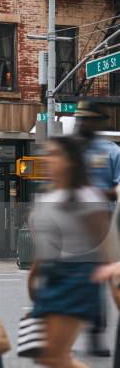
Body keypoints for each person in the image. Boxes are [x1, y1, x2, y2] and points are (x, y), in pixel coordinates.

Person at [29, 136, 112, 368]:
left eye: (54, 154)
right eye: (47, 153)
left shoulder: (87, 196)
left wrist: (111, 281)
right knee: (50, 357)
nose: (47, 159)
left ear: (71, 161)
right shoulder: (48, 194)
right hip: (51, 276)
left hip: (76, 277)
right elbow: (46, 241)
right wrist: (34, 274)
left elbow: (106, 242)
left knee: (53, 356)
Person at [74, 100, 120, 357]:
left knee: (107, 277)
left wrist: (96, 192)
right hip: (73, 225)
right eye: (80, 119)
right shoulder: (72, 150)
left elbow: (119, 187)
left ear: (97, 122)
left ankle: (97, 332)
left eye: (87, 119)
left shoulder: (111, 151)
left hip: (103, 223)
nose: (82, 123)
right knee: (77, 277)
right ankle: (80, 328)